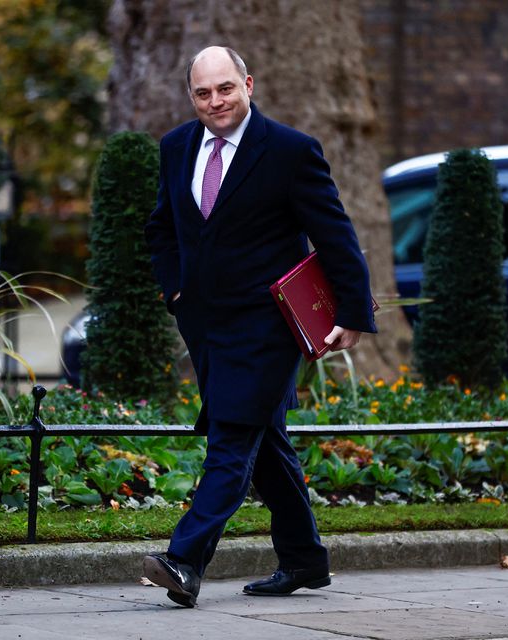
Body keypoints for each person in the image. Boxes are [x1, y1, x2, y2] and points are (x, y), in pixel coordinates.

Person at [142, 46, 377, 608]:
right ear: (191, 96)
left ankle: (185, 560)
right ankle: (304, 559)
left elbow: (336, 235)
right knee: (264, 441)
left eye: (226, 88)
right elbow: (162, 228)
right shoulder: (176, 146)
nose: (216, 101)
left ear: (248, 83)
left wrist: (351, 312)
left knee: (232, 436)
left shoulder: (292, 151)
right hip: (205, 325)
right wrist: (176, 291)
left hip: (270, 327)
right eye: (203, 93)